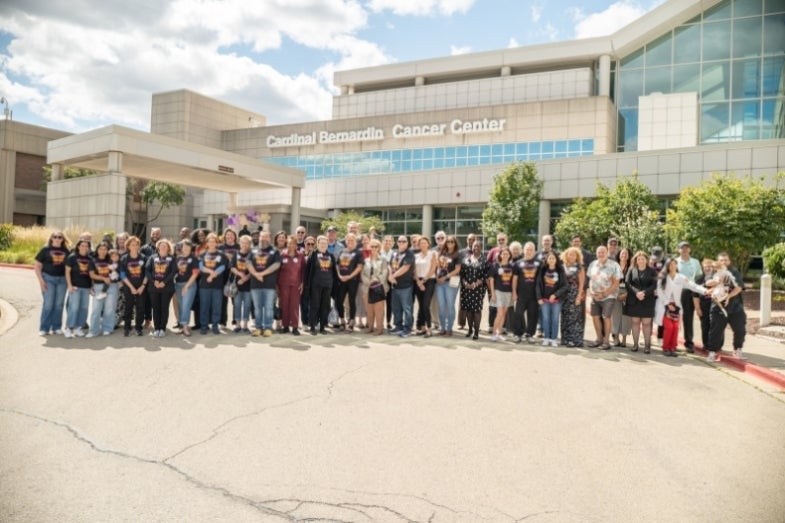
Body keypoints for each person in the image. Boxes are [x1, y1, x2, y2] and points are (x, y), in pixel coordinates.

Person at [655, 257, 707, 357]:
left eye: (674, 264)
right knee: (669, 327)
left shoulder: (681, 277)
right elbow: (659, 292)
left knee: (675, 328)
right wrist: (667, 304)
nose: (672, 266)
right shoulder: (662, 277)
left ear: (677, 265)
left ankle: (672, 348)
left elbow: (693, 286)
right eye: (670, 265)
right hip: (665, 306)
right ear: (667, 266)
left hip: (676, 307)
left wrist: (704, 291)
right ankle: (666, 348)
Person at [705, 253, 747, 362]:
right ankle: (712, 353)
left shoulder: (734, 272)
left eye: (726, 260)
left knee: (740, 329)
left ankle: (737, 350)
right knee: (715, 331)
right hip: (718, 307)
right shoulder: (714, 271)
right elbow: (707, 283)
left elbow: (739, 287)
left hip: (735, 307)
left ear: (729, 261)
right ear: (718, 261)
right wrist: (716, 281)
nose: (724, 262)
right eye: (721, 260)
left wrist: (729, 296)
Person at [34, 231, 70, 336]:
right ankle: (44, 328)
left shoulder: (66, 251)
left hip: (62, 280)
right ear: (51, 238)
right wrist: (41, 281)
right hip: (48, 279)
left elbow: (69, 267)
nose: (57, 239)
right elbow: (37, 266)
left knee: (59, 304)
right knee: (48, 304)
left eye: (60, 237)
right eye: (55, 237)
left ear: (63, 239)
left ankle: (56, 327)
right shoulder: (45, 249)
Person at [586, 245, 622, 350]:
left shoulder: (614, 265)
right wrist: (591, 292)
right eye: (599, 252)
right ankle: (599, 339)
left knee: (606, 317)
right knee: (595, 316)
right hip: (595, 296)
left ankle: (606, 341)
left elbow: (616, 283)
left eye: (603, 252)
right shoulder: (593, 264)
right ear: (596, 254)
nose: (601, 254)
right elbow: (591, 280)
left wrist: (604, 294)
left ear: (607, 253)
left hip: (608, 296)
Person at [248, 230, 281, 337]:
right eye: (262, 237)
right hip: (255, 285)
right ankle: (258, 327)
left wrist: (262, 274)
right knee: (257, 308)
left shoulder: (274, 251)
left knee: (268, 307)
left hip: (269, 285)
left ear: (269, 238)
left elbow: (276, 264)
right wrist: (256, 274)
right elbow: (248, 263)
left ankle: (267, 327)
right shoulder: (253, 250)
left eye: (266, 237)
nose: (264, 239)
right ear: (259, 238)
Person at [625, 251, 659, 353]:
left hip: (647, 300)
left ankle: (647, 346)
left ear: (646, 260)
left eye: (643, 259)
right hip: (634, 300)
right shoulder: (631, 270)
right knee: (635, 322)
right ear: (636, 260)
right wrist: (637, 293)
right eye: (638, 259)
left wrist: (644, 293)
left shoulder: (652, 271)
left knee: (646, 323)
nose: (640, 261)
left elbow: (654, 285)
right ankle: (635, 345)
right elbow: (628, 284)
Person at [146, 239, 177, 337]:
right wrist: (153, 281)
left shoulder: (172, 259)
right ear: (158, 247)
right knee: (155, 308)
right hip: (153, 287)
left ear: (168, 248)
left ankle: (162, 328)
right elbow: (147, 270)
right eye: (161, 245)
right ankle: (157, 328)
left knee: (164, 308)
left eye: (165, 246)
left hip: (167, 288)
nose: (163, 247)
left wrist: (164, 282)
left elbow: (173, 271)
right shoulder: (152, 258)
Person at [304, 235, 335, 334]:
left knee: (325, 306)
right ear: (317, 244)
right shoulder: (313, 255)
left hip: (327, 285)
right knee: (314, 306)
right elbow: (307, 271)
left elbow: (333, 271)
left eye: (325, 243)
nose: (323, 245)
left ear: (327, 245)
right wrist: (306, 285)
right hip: (315, 285)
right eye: (321, 243)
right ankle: (312, 327)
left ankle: (322, 327)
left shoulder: (331, 256)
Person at [86, 242, 118, 338]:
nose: (102, 251)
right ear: (97, 250)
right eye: (100, 249)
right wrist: (103, 278)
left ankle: (107, 329)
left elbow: (117, 271)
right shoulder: (93, 261)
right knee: (96, 309)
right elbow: (92, 275)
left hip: (112, 286)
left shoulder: (111, 260)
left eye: (105, 249)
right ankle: (93, 330)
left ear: (107, 251)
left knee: (110, 309)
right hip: (98, 286)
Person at [198, 232, 227, 335]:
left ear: (216, 243)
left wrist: (212, 276)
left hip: (217, 286)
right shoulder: (202, 254)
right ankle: (204, 326)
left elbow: (222, 267)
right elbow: (201, 267)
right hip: (204, 286)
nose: (211, 243)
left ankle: (215, 326)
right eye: (209, 241)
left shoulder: (221, 255)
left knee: (216, 307)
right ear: (207, 243)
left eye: (213, 241)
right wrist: (211, 272)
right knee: (204, 307)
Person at [536, 251, 568, 347]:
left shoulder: (560, 270)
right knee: (546, 319)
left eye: (553, 258)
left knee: (555, 319)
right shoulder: (542, 270)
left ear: (556, 260)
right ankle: (546, 338)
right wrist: (539, 297)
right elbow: (538, 285)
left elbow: (565, 286)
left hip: (556, 301)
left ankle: (553, 339)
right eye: (549, 258)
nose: (551, 260)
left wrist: (555, 294)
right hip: (544, 300)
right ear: (547, 260)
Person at [63, 239, 93, 338]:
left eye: (86, 246)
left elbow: (91, 274)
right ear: (78, 247)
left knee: (84, 308)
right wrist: (69, 285)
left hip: (86, 287)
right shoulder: (72, 257)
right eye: (82, 245)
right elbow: (67, 272)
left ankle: (78, 328)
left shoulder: (90, 259)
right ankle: (69, 328)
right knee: (74, 308)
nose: (84, 247)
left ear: (88, 248)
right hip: (75, 287)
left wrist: (91, 287)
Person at [512, 241, 540, 344]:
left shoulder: (539, 263)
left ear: (534, 251)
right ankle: (517, 334)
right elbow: (515, 279)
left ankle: (530, 335)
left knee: (532, 316)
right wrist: (514, 292)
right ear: (524, 250)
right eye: (527, 249)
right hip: (521, 295)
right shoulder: (518, 263)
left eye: (531, 250)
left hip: (534, 295)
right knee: (518, 314)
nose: (529, 251)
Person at [676, 241, 702, 353]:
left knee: (688, 318)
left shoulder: (695, 262)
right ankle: (673, 342)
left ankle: (689, 343)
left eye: (686, 248)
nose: (684, 250)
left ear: (689, 250)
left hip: (690, 292)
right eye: (682, 248)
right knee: (675, 317)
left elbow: (699, 277)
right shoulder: (675, 262)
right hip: (677, 292)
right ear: (679, 250)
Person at [119, 236, 147, 337]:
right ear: (128, 246)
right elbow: (122, 275)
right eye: (132, 245)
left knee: (140, 307)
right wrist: (131, 287)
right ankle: (127, 327)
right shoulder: (124, 258)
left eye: (136, 244)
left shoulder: (143, 258)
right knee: (128, 307)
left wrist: (142, 286)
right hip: (128, 286)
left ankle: (138, 328)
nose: (134, 246)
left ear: (139, 246)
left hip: (141, 287)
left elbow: (147, 274)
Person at [277, 235, 305, 335]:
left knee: (294, 305)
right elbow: (278, 270)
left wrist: (303, 283)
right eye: (289, 243)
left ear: (296, 244)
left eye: (293, 243)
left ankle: (295, 327)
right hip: (283, 284)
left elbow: (303, 270)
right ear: (286, 244)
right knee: (284, 304)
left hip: (296, 284)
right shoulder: (282, 254)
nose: (291, 245)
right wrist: (277, 284)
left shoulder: (300, 255)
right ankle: (285, 326)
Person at [360, 238, 389, 335]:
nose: (373, 248)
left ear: (379, 248)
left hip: (378, 287)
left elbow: (385, 272)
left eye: (376, 246)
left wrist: (376, 280)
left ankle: (379, 329)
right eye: (372, 246)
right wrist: (367, 281)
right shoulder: (366, 260)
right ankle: (370, 327)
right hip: (367, 288)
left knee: (379, 309)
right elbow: (362, 273)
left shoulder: (383, 259)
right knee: (369, 309)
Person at [435, 235, 462, 336]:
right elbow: (438, 266)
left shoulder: (457, 254)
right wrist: (437, 277)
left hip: (451, 282)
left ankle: (449, 328)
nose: (450, 243)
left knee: (450, 306)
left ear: (455, 243)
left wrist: (445, 277)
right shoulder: (441, 253)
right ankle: (443, 328)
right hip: (440, 283)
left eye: (452, 242)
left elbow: (457, 270)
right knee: (441, 306)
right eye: (448, 241)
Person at [335, 233, 363, 331]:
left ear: (355, 241)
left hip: (352, 281)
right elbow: (337, 264)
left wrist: (350, 276)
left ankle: (351, 322)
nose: (350, 242)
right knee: (339, 301)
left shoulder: (358, 253)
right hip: (342, 280)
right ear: (346, 241)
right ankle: (342, 321)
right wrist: (339, 275)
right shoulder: (342, 251)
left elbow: (359, 267)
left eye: (352, 240)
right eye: (348, 240)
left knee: (351, 301)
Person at [388, 235, 415, 337]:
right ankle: (398, 327)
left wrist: (393, 276)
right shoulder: (394, 252)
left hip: (405, 286)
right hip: (395, 286)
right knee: (396, 308)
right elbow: (389, 265)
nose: (401, 243)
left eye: (404, 241)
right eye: (399, 241)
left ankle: (408, 329)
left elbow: (406, 267)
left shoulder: (409, 253)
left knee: (407, 309)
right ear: (397, 242)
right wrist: (390, 275)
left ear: (407, 243)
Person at [460, 239, 486, 340]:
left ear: (481, 248)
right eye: (474, 246)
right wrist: (466, 283)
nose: (476, 248)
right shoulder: (466, 260)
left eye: (478, 246)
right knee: (468, 310)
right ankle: (470, 329)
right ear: (472, 247)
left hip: (478, 290)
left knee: (476, 310)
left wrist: (476, 283)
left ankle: (476, 332)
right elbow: (462, 274)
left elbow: (486, 275)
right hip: (466, 289)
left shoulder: (484, 260)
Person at [559, 246, 585, 347]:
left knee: (574, 318)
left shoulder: (579, 267)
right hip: (564, 294)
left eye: (573, 255)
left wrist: (579, 296)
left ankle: (575, 340)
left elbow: (581, 283)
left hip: (574, 294)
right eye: (569, 254)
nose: (571, 256)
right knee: (565, 316)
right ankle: (565, 339)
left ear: (577, 256)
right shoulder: (563, 266)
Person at [488, 247, 515, 342]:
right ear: (500, 255)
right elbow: (491, 280)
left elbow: (514, 280)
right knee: (499, 313)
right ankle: (494, 334)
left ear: (510, 255)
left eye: (507, 254)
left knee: (503, 314)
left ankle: (498, 334)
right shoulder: (495, 265)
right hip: (498, 291)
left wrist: (514, 293)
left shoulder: (512, 267)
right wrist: (492, 293)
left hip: (508, 293)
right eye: (503, 254)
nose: (505, 255)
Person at [174, 239, 200, 336]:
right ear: (181, 248)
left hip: (189, 285)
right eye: (184, 247)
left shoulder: (194, 259)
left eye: (188, 247)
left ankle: (185, 327)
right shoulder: (178, 258)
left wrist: (186, 286)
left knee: (186, 305)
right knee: (181, 306)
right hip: (178, 285)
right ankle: (183, 326)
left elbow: (195, 273)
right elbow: (175, 271)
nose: (186, 249)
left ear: (191, 248)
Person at [413, 236, 438, 337]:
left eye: (425, 243)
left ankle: (429, 329)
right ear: (419, 245)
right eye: (421, 243)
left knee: (426, 305)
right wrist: (418, 282)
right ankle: (422, 328)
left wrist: (423, 281)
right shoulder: (416, 256)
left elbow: (432, 269)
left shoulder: (432, 254)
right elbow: (414, 271)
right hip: (418, 281)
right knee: (421, 305)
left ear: (428, 244)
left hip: (429, 281)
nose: (423, 244)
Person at [230, 235, 253, 334]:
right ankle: (238, 325)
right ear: (239, 243)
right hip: (237, 285)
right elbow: (232, 267)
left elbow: (254, 269)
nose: (244, 245)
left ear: (249, 244)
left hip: (248, 285)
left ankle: (245, 325)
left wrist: (246, 278)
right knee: (237, 305)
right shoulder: (235, 254)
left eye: (247, 243)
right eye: (243, 242)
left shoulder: (252, 255)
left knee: (247, 305)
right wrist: (241, 275)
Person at [485, 233, 508, 333]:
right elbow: (487, 265)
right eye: (499, 240)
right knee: (493, 306)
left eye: (503, 239)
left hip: (506, 285)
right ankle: (491, 325)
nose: (501, 241)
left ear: (506, 240)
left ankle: (503, 326)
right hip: (493, 284)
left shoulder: (509, 251)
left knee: (504, 307)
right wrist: (487, 280)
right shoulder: (493, 251)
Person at [611, 247, 632, 347]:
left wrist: (627, 294)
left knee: (626, 317)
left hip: (628, 293)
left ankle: (624, 339)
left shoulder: (631, 268)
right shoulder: (614, 267)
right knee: (615, 316)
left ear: (629, 256)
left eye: (626, 254)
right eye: (622, 253)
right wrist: (615, 294)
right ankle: (616, 338)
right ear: (619, 255)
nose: (624, 255)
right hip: (615, 291)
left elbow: (634, 283)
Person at [693, 258, 716, 350]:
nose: (708, 268)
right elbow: (695, 296)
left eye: (710, 266)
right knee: (705, 326)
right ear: (703, 267)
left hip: (715, 306)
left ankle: (716, 345)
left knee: (716, 326)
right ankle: (706, 345)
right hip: (704, 307)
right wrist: (697, 308)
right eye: (706, 266)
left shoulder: (717, 278)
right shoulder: (698, 279)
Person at [456, 233, 477, 330]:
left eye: (473, 239)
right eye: (469, 239)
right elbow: (459, 268)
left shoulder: (479, 252)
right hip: (464, 280)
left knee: (475, 304)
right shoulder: (461, 253)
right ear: (466, 240)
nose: (471, 241)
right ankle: (461, 323)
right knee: (463, 303)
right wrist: (463, 281)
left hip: (476, 282)